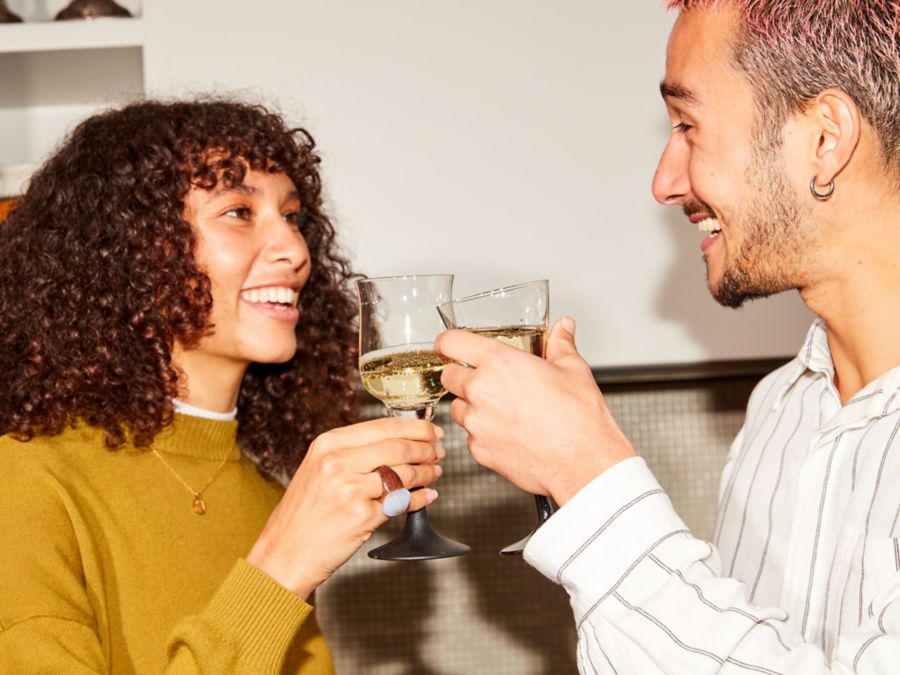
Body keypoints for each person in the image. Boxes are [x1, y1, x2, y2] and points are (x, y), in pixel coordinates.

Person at [437, 0, 900, 672]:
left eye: (689, 125)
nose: (664, 182)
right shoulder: (779, 409)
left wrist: (586, 471)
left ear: (825, 140)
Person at [0, 99, 443, 672]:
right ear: (132, 246)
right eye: (238, 211)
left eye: (292, 216)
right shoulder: (22, 483)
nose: (296, 250)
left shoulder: (266, 497)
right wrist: (279, 569)